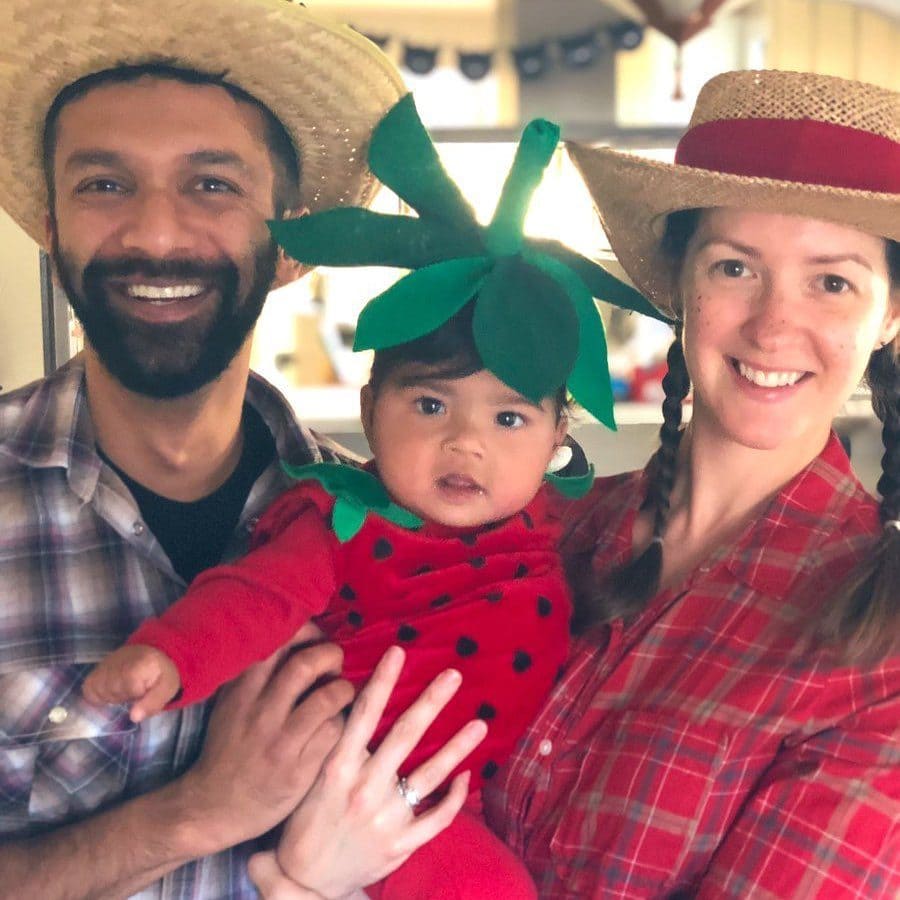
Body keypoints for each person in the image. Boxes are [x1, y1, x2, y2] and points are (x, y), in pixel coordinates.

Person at [250, 69, 900, 899]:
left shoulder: (879, 650)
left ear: (889, 314)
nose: (774, 326)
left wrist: (312, 884)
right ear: (680, 287)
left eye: (833, 281)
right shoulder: (543, 527)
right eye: (735, 268)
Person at [81, 93, 662, 899]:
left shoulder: (556, 519)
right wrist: (170, 660)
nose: (466, 443)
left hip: (486, 796)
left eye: (508, 417)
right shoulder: (342, 521)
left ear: (555, 435)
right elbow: (252, 599)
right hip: (377, 799)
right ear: (367, 412)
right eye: (429, 406)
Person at [0, 1, 435, 897]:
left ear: (290, 244)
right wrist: (203, 812)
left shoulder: (385, 533)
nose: (156, 236)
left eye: (211, 186)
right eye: (104, 185)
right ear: (51, 225)